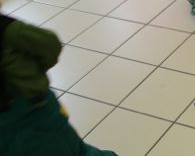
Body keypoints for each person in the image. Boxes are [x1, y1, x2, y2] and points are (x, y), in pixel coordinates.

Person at [0, 12, 117, 155]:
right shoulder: (9, 29)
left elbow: (49, 45)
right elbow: (50, 46)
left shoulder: (9, 30)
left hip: (31, 113)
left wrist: (33, 75)